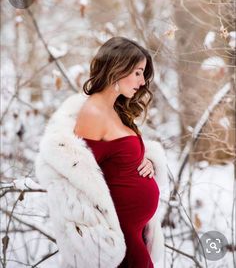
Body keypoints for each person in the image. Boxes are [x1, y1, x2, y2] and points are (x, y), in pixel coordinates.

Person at [35, 36, 168, 268]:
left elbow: (115, 156)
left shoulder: (113, 109)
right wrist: (94, 242)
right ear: (117, 68)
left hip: (135, 233)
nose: (142, 81)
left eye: (143, 74)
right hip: (118, 244)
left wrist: (146, 160)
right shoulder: (94, 112)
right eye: (137, 72)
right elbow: (77, 177)